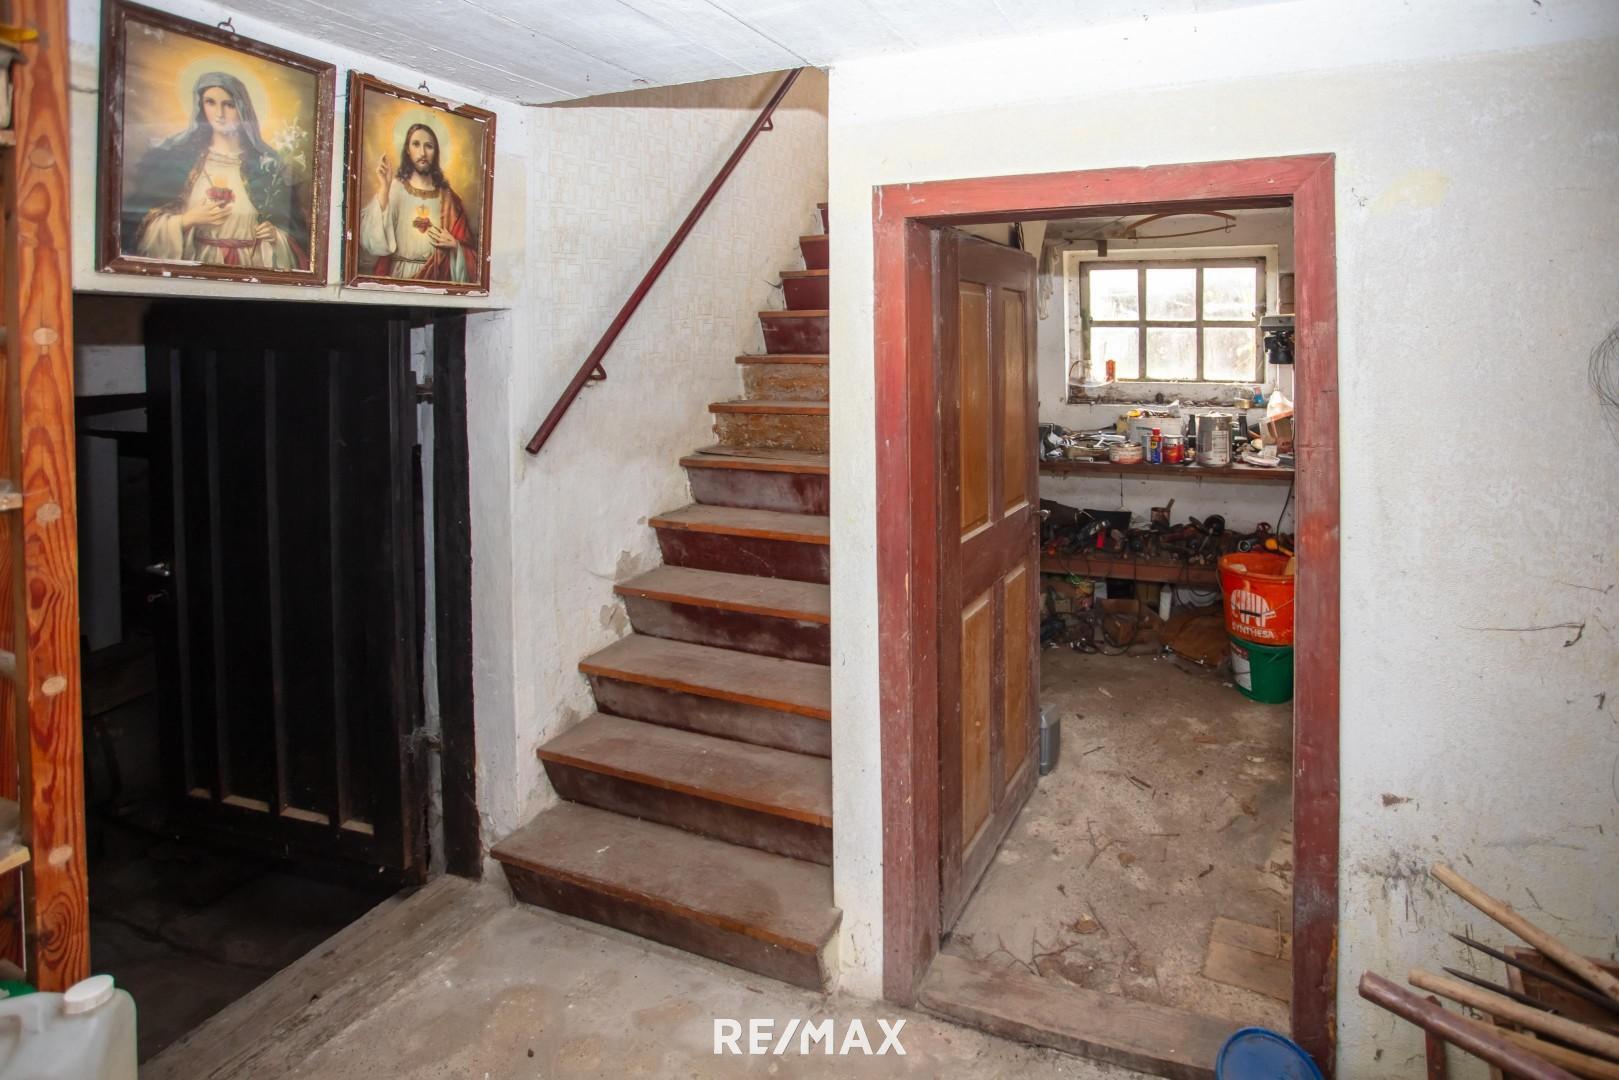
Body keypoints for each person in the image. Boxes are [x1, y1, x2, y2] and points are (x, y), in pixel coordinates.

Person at [127, 72, 304, 270]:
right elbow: (139, 227)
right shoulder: (180, 160)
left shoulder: (267, 166)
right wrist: (187, 220)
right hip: (196, 266)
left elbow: (295, 234)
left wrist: (275, 236)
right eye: (210, 102)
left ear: (242, 109)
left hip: (249, 266)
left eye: (229, 104)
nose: (219, 113)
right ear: (200, 106)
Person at [358, 122, 478, 283]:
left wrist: (456, 246)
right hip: (399, 276)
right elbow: (372, 240)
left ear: (436, 152)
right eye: (416, 144)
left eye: (429, 146)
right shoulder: (395, 188)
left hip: (437, 277)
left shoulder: (448, 198)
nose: (422, 153)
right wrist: (384, 188)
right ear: (408, 150)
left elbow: (472, 257)